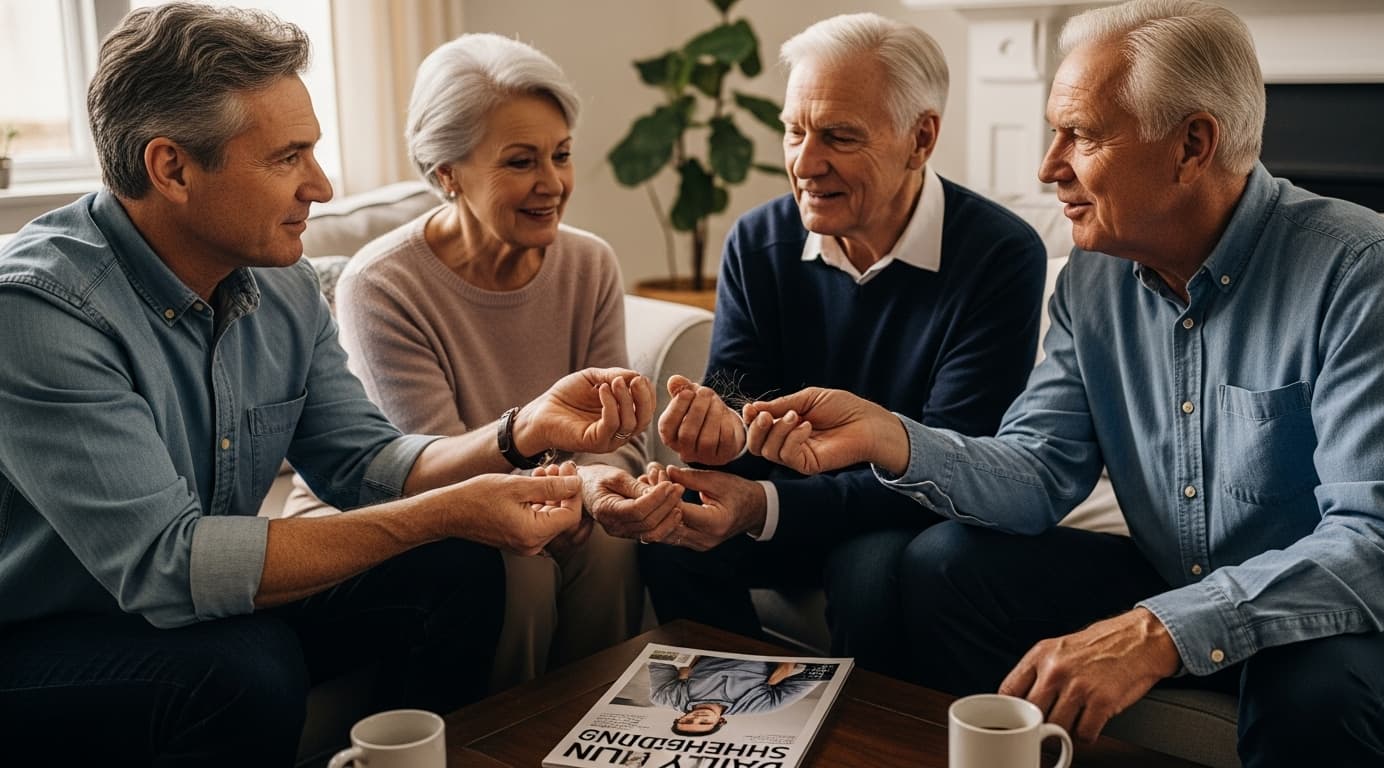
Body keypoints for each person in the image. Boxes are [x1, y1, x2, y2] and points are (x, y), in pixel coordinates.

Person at [742, 1, 1384, 765]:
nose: (1048, 166)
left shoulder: (1357, 269)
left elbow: (1377, 540)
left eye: (1081, 135)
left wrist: (1160, 631)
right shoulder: (1094, 277)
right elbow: (1039, 468)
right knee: (941, 567)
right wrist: (892, 438)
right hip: (1172, 574)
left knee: (1314, 695)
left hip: (1341, 610)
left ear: (1192, 144)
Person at [0, 5, 653, 765]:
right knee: (246, 670)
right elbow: (168, 567)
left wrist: (521, 432)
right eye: (288, 157)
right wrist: (440, 513)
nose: (322, 184)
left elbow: (367, 466)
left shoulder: (281, 285)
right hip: (47, 635)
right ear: (171, 168)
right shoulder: (41, 311)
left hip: (193, 600)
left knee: (465, 568)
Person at [629, 12, 1046, 673]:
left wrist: (762, 504)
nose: (804, 162)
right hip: (788, 501)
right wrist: (718, 429)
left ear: (921, 138)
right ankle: (735, 720)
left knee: (871, 571)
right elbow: (737, 386)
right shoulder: (757, 240)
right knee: (670, 531)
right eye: (794, 131)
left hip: (902, 511)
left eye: (839, 137)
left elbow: (956, 455)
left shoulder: (999, 255)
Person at [282, 33, 681, 690]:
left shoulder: (589, 263)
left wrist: (592, 488)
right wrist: (556, 492)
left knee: (610, 544)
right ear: (446, 174)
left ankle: (594, 734)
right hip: (406, 505)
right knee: (512, 563)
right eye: (521, 162)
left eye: (561, 155)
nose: (552, 183)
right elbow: (424, 470)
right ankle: (500, 744)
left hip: (541, 492)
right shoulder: (382, 284)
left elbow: (619, 438)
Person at [649, 656, 821, 736]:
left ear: (679, 718)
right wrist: (788, 662)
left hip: (709, 637)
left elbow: (657, 655)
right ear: (721, 721)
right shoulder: (761, 706)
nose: (697, 718)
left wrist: (684, 662)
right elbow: (824, 672)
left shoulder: (665, 697)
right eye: (704, 722)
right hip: (761, 643)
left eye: (687, 721)